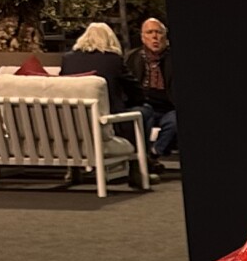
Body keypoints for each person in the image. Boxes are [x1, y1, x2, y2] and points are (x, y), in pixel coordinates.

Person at [59, 21, 135, 123]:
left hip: (74, 120)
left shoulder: (68, 59)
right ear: (110, 40)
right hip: (107, 120)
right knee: (146, 110)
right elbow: (133, 91)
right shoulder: (113, 60)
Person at [125, 15, 175, 160]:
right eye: (149, 32)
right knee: (140, 116)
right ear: (142, 37)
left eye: (158, 32)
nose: (154, 37)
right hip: (144, 105)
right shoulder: (132, 58)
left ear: (165, 36)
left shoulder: (172, 57)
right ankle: (142, 158)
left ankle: (154, 153)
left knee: (174, 122)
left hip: (169, 107)